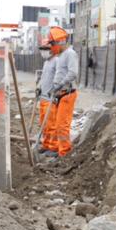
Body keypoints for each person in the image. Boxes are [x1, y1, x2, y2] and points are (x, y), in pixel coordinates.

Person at [41, 26, 79, 156]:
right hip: (61, 94)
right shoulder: (62, 55)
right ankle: (59, 150)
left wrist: (59, 85)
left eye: (52, 43)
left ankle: (64, 153)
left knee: (62, 126)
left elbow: (73, 73)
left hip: (67, 94)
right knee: (57, 125)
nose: (51, 47)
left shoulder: (70, 53)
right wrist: (55, 88)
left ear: (59, 42)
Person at [36, 37, 58, 150]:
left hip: (51, 98)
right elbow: (44, 77)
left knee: (51, 124)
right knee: (44, 124)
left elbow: (59, 79)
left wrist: (55, 90)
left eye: (46, 48)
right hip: (43, 98)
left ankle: (53, 147)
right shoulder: (46, 63)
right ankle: (46, 144)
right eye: (42, 49)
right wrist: (39, 87)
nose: (43, 51)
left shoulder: (57, 61)